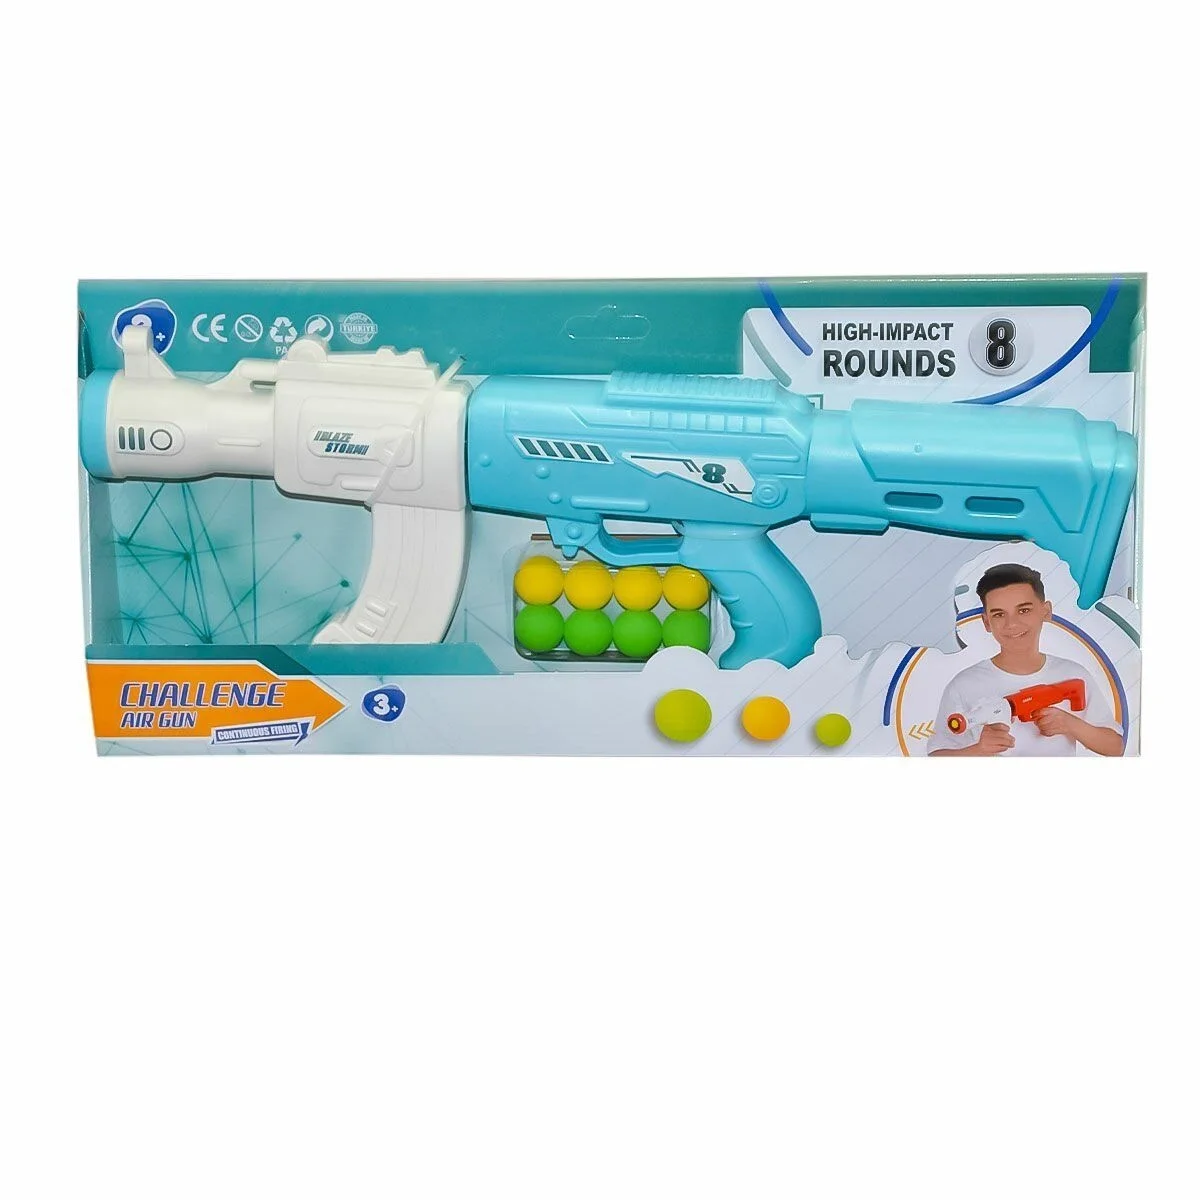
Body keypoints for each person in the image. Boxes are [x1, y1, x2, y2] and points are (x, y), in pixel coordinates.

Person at [927, 564, 1123, 757]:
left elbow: (1116, 747)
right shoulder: (964, 684)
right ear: (986, 622)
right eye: (999, 614)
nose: (1012, 624)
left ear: (1045, 611)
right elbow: (936, 757)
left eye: (1023, 610)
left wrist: (1070, 724)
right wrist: (979, 750)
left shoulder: (1073, 673)